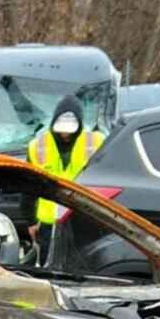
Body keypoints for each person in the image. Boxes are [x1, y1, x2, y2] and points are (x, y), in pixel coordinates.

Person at [26, 96, 104, 261]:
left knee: (83, 264)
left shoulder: (95, 142)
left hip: (83, 219)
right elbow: (27, 185)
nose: (65, 134)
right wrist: (30, 220)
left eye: (70, 130)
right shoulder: (38, 146)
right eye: (62, 129)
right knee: (50, 267)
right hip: (48, 223)